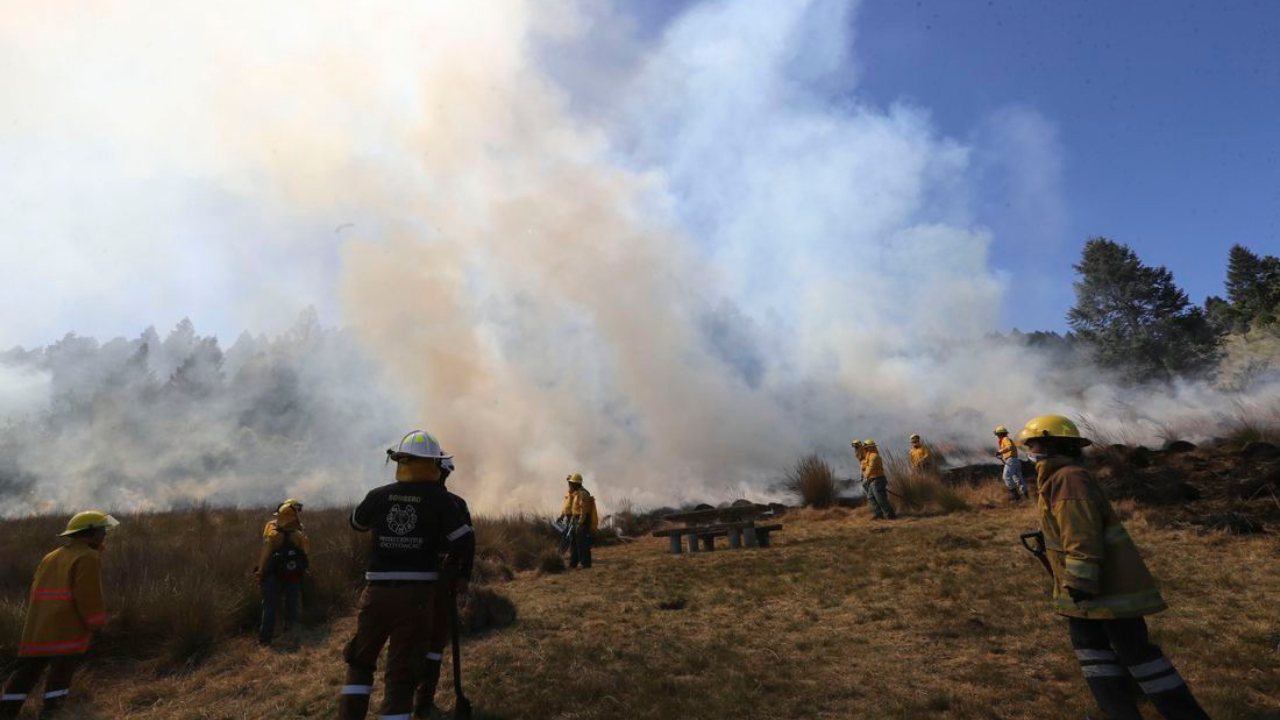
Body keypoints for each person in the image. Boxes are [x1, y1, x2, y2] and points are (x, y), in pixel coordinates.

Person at [1018, 415, 1210, 720]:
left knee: (1137, 655)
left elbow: (1081, 533)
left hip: (1101, 586)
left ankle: (1185, 714)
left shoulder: (1068, 478)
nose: (1029, 450)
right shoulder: (1058, 477)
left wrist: (1080, 580)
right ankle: (1117, 711)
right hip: (1085, 588)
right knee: (1093, 652)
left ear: (1052, 443)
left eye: (1033, 443)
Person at [339, 430, 475, 720]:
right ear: (434, 465)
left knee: (361, 661)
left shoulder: (379, 495)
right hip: (418, 595)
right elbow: (463, 541)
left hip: (376, 593)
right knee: (401, 675)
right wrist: (451, 566)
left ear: (400, 460)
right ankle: (415, 707)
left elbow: (356, 523)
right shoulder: (441, 500)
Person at [1, 511, 118, 720]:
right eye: (102, 530)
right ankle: (51, 715)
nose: (105, 534)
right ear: (90, 532)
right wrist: (97, 624)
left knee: (24, 677)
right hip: (66, 630)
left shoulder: (51, 556)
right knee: (60, 678)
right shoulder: (88, 556)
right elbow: (88, 596)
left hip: (37, 630)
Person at [414, 456, 470, 720]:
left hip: (414, 583)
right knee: (434, 639)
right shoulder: (455, 504)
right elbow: (467, 544)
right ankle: (422, 700)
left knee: (417, 639)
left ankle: (409, 700)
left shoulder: (406, 499)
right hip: (439, 581)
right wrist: (462, 576)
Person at [254, 498, 310, 646]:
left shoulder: (272, 534)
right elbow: (306, 555)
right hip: (293, 576)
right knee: (292, 605)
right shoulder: (299, 535)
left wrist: (260, 575)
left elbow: (264, 559)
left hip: (272, 576)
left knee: (269, 607)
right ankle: (291, 635)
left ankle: (265, 641)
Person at [558, 474, 598, 569]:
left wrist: (580, 523)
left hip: (582, 521)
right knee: (574, 543)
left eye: (571, 483)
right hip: (575, 520)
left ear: (576, 484)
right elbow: (572, 508)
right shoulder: (576, 494)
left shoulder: (583, 494)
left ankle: (586, 564)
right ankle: (573, 563)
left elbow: (583, 511)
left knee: (582, 543)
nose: (570, 485)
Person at [861, 440, 896, 520]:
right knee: (870, 497)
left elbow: (870, 468)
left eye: (866, 447)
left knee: (881, 499)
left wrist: (866, 475)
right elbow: (865, 467)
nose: (865, 449)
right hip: (873, 480)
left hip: (878, 480)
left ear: (870, 447)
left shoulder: (874, 456)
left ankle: (890, 515)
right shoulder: (868, 456)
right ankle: (878, 514)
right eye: (865, 447)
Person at [995, 425, 1029, 502]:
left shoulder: (1005, 439)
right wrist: (1002, 454)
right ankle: (1026, 496)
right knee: (1018, 479)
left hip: (1011, 460)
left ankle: (1015, 496)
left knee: (1006, 477)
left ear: (1000, 434)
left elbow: (1009, 447)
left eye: (997, 434)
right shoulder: (1008, 439)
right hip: (1015, 460)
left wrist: (999, 451)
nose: (997, 436)